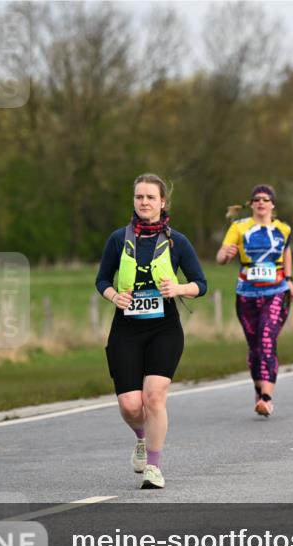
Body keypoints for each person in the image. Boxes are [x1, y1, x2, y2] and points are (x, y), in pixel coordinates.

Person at [95, 174, 207, 489]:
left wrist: (179, 287)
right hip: (126, 329)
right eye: (139, 197)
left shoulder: (177, 242)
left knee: (154, 397)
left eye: (150, 197)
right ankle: (142, 439)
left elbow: (202, 284)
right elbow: (102, 280)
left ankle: (154, 468)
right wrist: (114, 296)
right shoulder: (119, 239)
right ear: (134, 201)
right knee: (131, 404)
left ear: (162, 203)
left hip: (164, 329)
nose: (144, 202)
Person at [217, 184, 293, 417]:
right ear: (251, 204)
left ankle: (267, 397)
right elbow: (221, 256)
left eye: (265, 199)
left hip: (276, 291)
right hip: (247, 294)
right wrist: (226, 256)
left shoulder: (283, 229)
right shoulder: (239, 227)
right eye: (256, 199)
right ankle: (258, 387)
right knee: (254, 348)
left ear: (273, 205)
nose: (261, 203)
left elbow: (287, 252)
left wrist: (290, 279)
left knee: (267, 339)